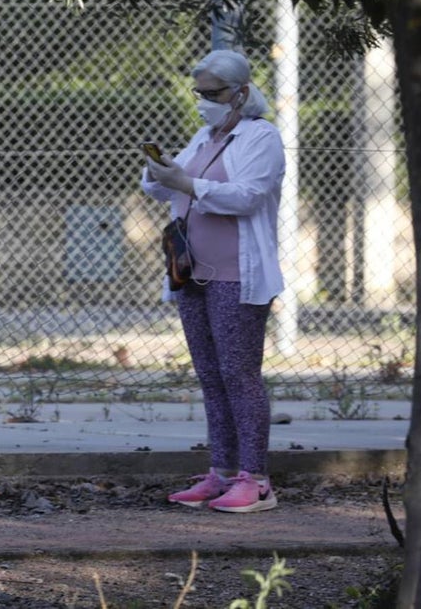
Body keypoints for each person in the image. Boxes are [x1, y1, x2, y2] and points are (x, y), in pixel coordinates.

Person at [140, 49, 285, 513]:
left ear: (240, 93)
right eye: (198, 93)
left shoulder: (260, 137)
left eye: (213, 93)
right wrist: (160, 170)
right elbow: (163, 186)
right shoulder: (205, 136)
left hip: (236, 275)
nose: (203, 102)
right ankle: (221, 472)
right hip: (191, 272)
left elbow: (247, 196)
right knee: (210, 375)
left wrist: (189, 185)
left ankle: (255, 480)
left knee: (239, 374)